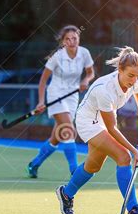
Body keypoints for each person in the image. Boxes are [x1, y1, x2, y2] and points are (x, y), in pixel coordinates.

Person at [55, 47, 138, 214]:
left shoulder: (135, 80)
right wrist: (133, 151)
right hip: (88, 121)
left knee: (93, 166)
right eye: (130, 76)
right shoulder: (105, 90)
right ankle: (133, 209)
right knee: (123, 156)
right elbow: (111, 128)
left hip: (104, 118)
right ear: (120, 70)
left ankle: (66, 193)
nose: (134, 80)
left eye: (137, 76)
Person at [27, 25, 95, 178]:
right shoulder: (57, 56)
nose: (71, 42)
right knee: (68, 130)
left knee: (57, 136)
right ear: (63, 41)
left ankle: (35, 164)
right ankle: (74, 170)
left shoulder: (84, 53)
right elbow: (43, 80)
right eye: (68, 39)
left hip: (72, 97)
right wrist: (40, 101)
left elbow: (91, 73)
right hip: (55, 94)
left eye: (74, 38)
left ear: (79, 39)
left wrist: (85, 80)